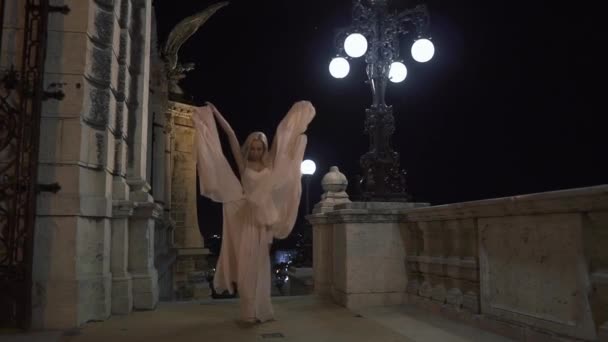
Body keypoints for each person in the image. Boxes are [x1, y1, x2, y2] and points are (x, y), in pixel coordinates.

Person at [192, 100, 315, 323]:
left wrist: (295, 118)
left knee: (261, 267)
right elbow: (229, 136)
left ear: (264, 149)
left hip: (264, 220)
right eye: (254, 147)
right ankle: (248, 311)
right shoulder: (243, 164)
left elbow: (281, 137)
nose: (257, 151)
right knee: (248, 266)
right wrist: (216, 112)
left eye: (260, 148)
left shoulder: (269, 163)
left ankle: (262, 310)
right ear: (249, 147)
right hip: (246, 217)